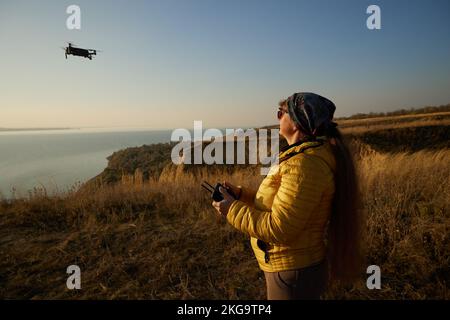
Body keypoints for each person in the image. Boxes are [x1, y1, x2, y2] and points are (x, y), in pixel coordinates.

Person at [212, 92, 362, 300]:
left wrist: (231, 209)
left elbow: (280, 227)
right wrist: (241, 195)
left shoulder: (305, 165)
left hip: (293, 271)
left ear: (298, 122)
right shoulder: (302, 158)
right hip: (292, 267)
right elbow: (283, 204)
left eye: (281, 112)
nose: (277, 117)